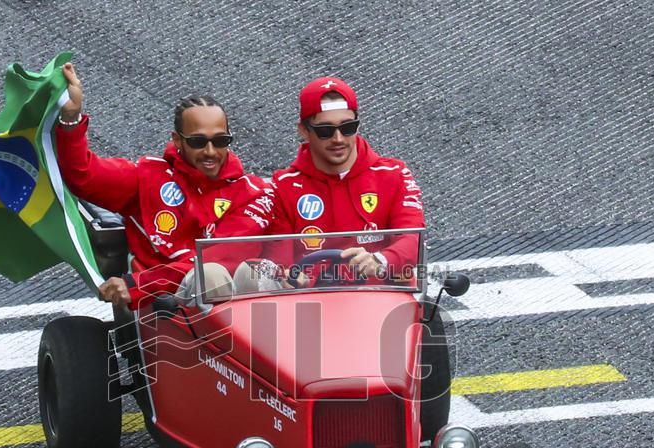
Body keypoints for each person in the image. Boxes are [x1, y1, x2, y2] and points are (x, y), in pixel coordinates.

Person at [54, 63, 273, 308]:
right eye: (198, 142)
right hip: (166, 311)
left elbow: (222, 258)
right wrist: (71, 119)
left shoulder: (253, 194)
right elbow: (82, 175)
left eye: (220, 141)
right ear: (177, 140)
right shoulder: (149, 177)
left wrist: (140, 285)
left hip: (226, 307)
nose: (210, 152)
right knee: (211, 276)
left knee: (255, 275)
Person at [260, 76, 424, 284]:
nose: (338, 139)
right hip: (312, 306)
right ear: (304, 131)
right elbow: (277, 260)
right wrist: (288, 278)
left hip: (382, 301)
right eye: (325, 131)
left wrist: (380, 260)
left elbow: (413, 240)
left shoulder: (395, 174)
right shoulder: (282, 186)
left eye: (347, 127)